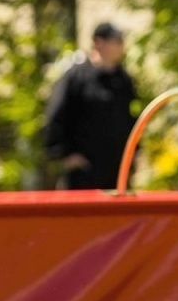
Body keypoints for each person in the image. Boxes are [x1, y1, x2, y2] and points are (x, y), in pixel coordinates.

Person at [42, 21, 139, 190]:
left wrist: (135, 152)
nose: (121, 46)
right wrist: (64, 155)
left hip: (116, 171)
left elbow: (132, 118)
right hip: (83, 173)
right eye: (116, 42)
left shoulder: (123, 80)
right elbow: (56, 115)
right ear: (98, 43)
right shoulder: (76, 77)